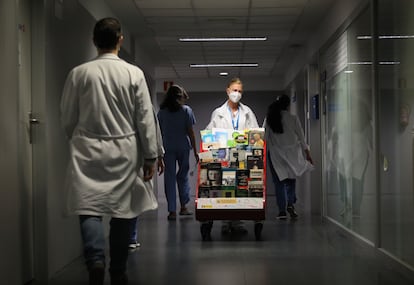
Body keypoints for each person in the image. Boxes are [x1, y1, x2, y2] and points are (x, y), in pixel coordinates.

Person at [60, 17, 158, 285]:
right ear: (120, 40)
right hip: (124, 151)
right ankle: (118, 269)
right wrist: (150, 155)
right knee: (122, 210)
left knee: (88, 206)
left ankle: (95, 261)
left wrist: (78, 138)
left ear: (94, 41)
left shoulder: (79, 73)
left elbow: (68, 117)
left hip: (87, 149)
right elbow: (145, 119)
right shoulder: (133, 74)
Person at [206, 77, 259, 234]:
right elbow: (210, 132)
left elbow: (255, 133)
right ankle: (225, 221)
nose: (237, 93)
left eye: (240, 91)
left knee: (240, 188)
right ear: (228, 91)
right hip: (224, 157)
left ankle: (237, 222)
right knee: (226, 188)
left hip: (243, 157)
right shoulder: (218, 113)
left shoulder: (247, 112)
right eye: (234, 90)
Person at [264, 94, 314, 220]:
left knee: (279, 183)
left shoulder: (269, 118)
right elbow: (302, 138)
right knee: (291, 180)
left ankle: (281, 211)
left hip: (276, 155)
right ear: (288, 105)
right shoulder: (293, 118)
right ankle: (290, 204)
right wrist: (308, 154)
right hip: (292, 154)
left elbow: (264, 138)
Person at [157, 84, 198, 220]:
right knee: (183, 176)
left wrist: (158, 153)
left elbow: (159, 133)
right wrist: (196, 151)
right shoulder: (186, 110)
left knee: (169, 178)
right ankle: (184, 207)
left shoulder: (162, 112)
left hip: (168, 148)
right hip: (183, 147)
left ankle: (172, 211)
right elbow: (191, 133)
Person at [129, 111, 165, 251]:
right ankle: (130, 237)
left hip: (111, 153)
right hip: (136, 154)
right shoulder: (141, 98)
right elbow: (152, 130)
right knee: (133, 197)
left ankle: (127, 238)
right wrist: (156, 157)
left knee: (123, 199)